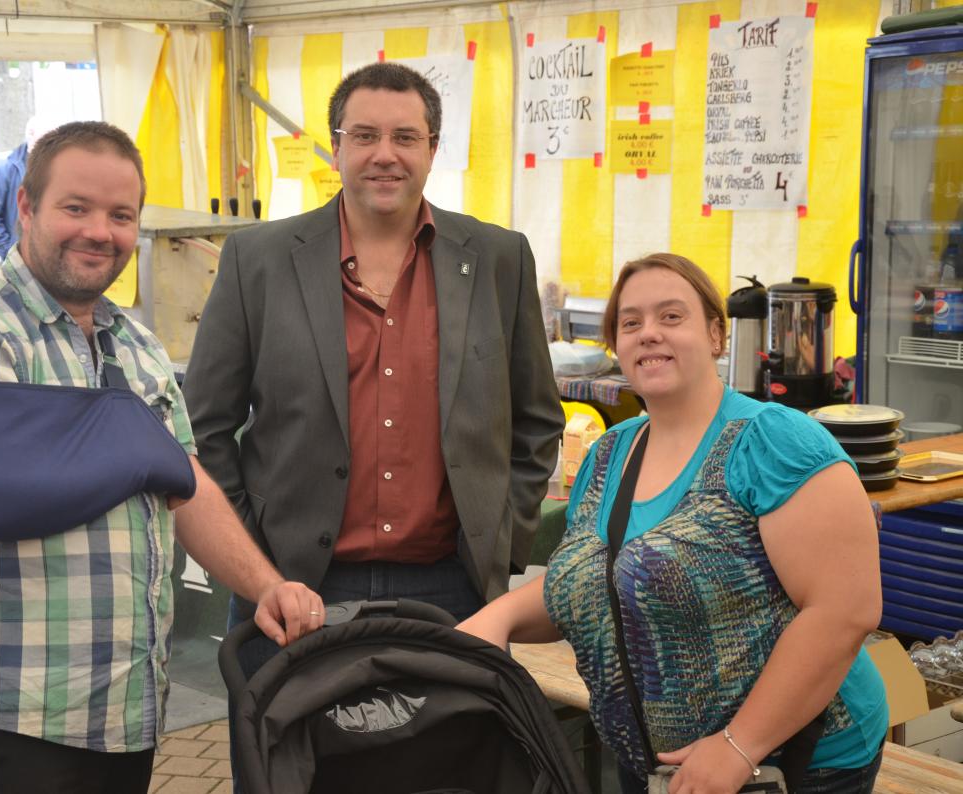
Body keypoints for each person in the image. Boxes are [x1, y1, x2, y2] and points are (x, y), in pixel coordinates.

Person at [0, 121, 323, 793]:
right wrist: (134, 447)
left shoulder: (136, 346)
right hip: (0, 717)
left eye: (121, 215)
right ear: (26, 206)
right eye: (76, 208)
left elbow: (185, 485)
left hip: (122, 712)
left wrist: (264, 586)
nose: (100, 231)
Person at [458, 253, 888, 794]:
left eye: (671, 316)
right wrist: (495, 620)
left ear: (715, 335)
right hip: (656, 764)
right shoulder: (610, 453)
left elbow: (845, 611)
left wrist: (738, 746)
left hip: (790, 764)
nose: (649, 333)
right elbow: (592, 583)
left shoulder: (774, 442)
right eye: (630, 322)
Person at [183, 61, 563, 652]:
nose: (385, 154)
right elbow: (201, 426)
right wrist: (253, 559)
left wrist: (501, 541)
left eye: (405, 137)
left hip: (453, 588)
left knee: (450, 721)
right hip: (292, 588)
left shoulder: (498, 258)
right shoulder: (256, 260)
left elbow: (536, 421)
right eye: (364, 135)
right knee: (280, 719)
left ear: (432, 149)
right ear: (336, 149)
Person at [0, 115, 47, 261]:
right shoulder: (6, 170)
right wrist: (9, 252)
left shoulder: (58, 169)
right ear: (31, 135)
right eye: (47, 136)